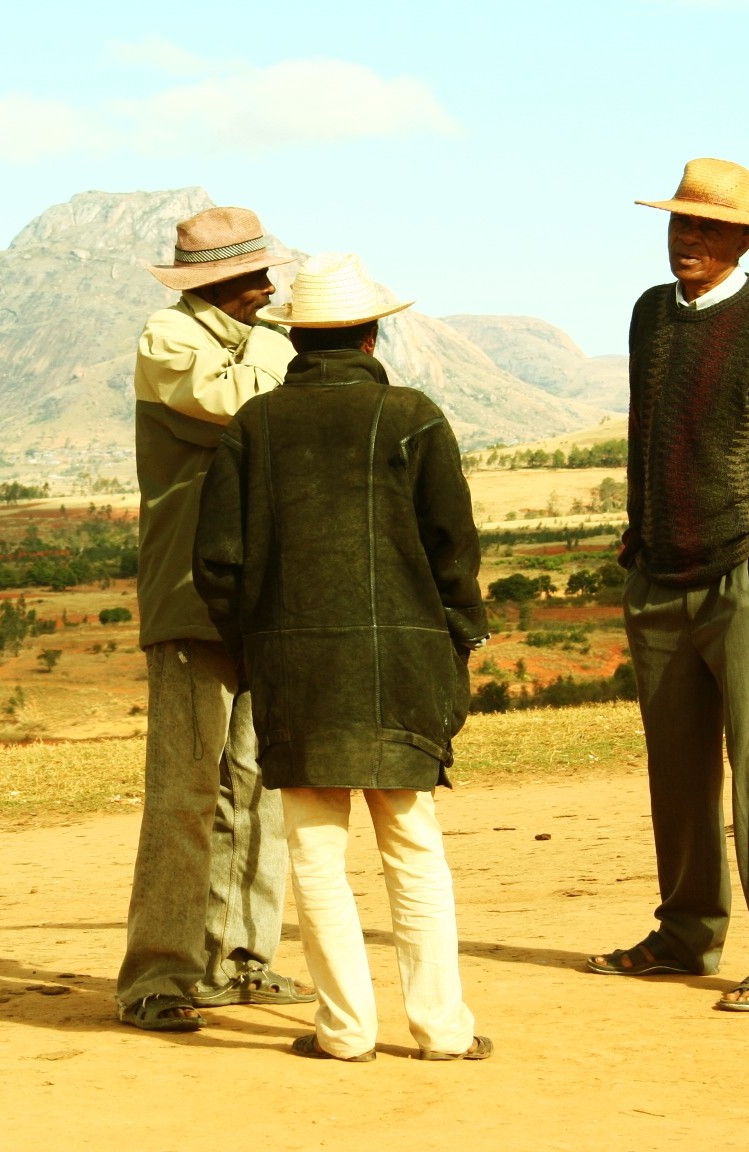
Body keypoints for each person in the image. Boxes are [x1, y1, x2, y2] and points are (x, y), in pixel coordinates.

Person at [193, 253, 492, 1062]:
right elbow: (451, 549)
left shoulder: (255, 425)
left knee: (317, 855)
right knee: (412, 845)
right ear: (370, 334)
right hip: (404, 663)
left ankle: (346, 1030)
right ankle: (440, 1029)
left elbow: (216, 563)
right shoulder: (413, 416)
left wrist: (257, 647)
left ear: (296, 341)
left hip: (297, 670)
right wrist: (463, 630)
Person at [588, 158, 749, 1012]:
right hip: (655, 575)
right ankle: (686, 935)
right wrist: (638, 541)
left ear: (741, 237)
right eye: (678, 223)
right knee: (677, 770)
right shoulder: (650, 315)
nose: (686, 237)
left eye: (705, 226)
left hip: (742, 576)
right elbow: (647, 438)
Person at [116, 206, 315, 1032]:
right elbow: (249, 409)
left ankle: (238, 959)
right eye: (254, 279)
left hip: (265, 594)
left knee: (256, 784)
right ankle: (157, 975)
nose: (268, 291)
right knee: (186, 791)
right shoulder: (169, 342)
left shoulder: (267, 343)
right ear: (213, 284)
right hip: (191, 593)